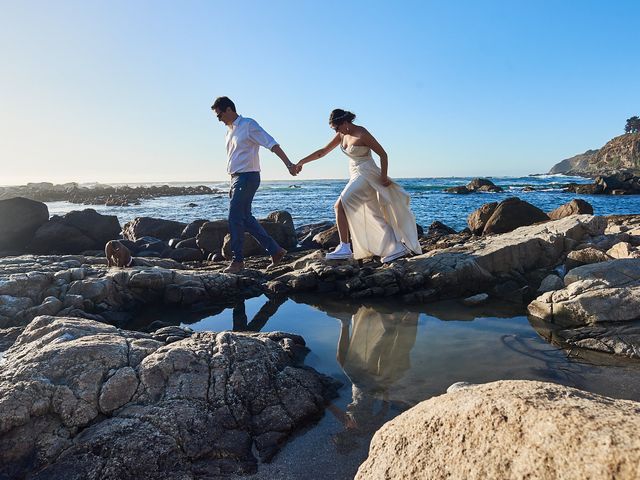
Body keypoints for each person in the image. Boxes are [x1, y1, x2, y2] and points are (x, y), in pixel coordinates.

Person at [295, 109, 421, 262]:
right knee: (373, 212)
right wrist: (302, 162)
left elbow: (383, 154)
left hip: (366, 173)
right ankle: (395, 247)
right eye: (334, 128)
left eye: (337, 127)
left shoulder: (362, 133)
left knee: (339, 206)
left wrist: (383, 177)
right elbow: (322, 152)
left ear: (345, 123)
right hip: (354, 173)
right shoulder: (342, 134)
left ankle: (345, 247)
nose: (336, 130)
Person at [211, 96, 297, 273]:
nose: (218, 119)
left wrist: (288, 164)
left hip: (248, 177)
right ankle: (275, 250)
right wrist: (231, 183)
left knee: (234, 217)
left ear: (229, 110)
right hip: (236, 179)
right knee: (245, 218)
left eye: (219, 115)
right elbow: (234, 159)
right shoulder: (229, 131)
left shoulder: (248, 125)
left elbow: (271, 143)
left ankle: (238, 261)